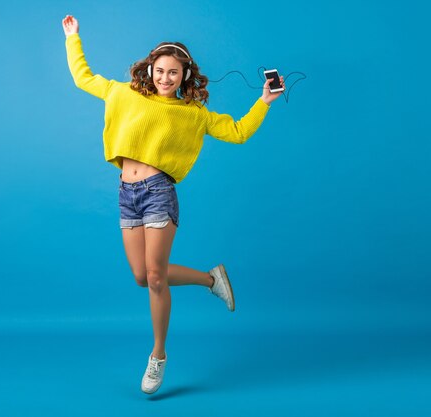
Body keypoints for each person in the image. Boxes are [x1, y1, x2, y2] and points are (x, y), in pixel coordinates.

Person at [61, 15, 284, 394]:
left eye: (174, 73)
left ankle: (158, 357)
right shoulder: (123, 93)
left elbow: (238, 132)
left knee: (155, 277)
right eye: (161, 71)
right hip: (126, 194)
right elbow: (84, 77)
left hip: (158, 192)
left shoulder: (191, 115)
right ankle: (211, 279)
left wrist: (263, 101)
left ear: (185, 77)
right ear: (150, 70)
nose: (166, 78)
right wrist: (73, 38)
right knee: (140, 275)